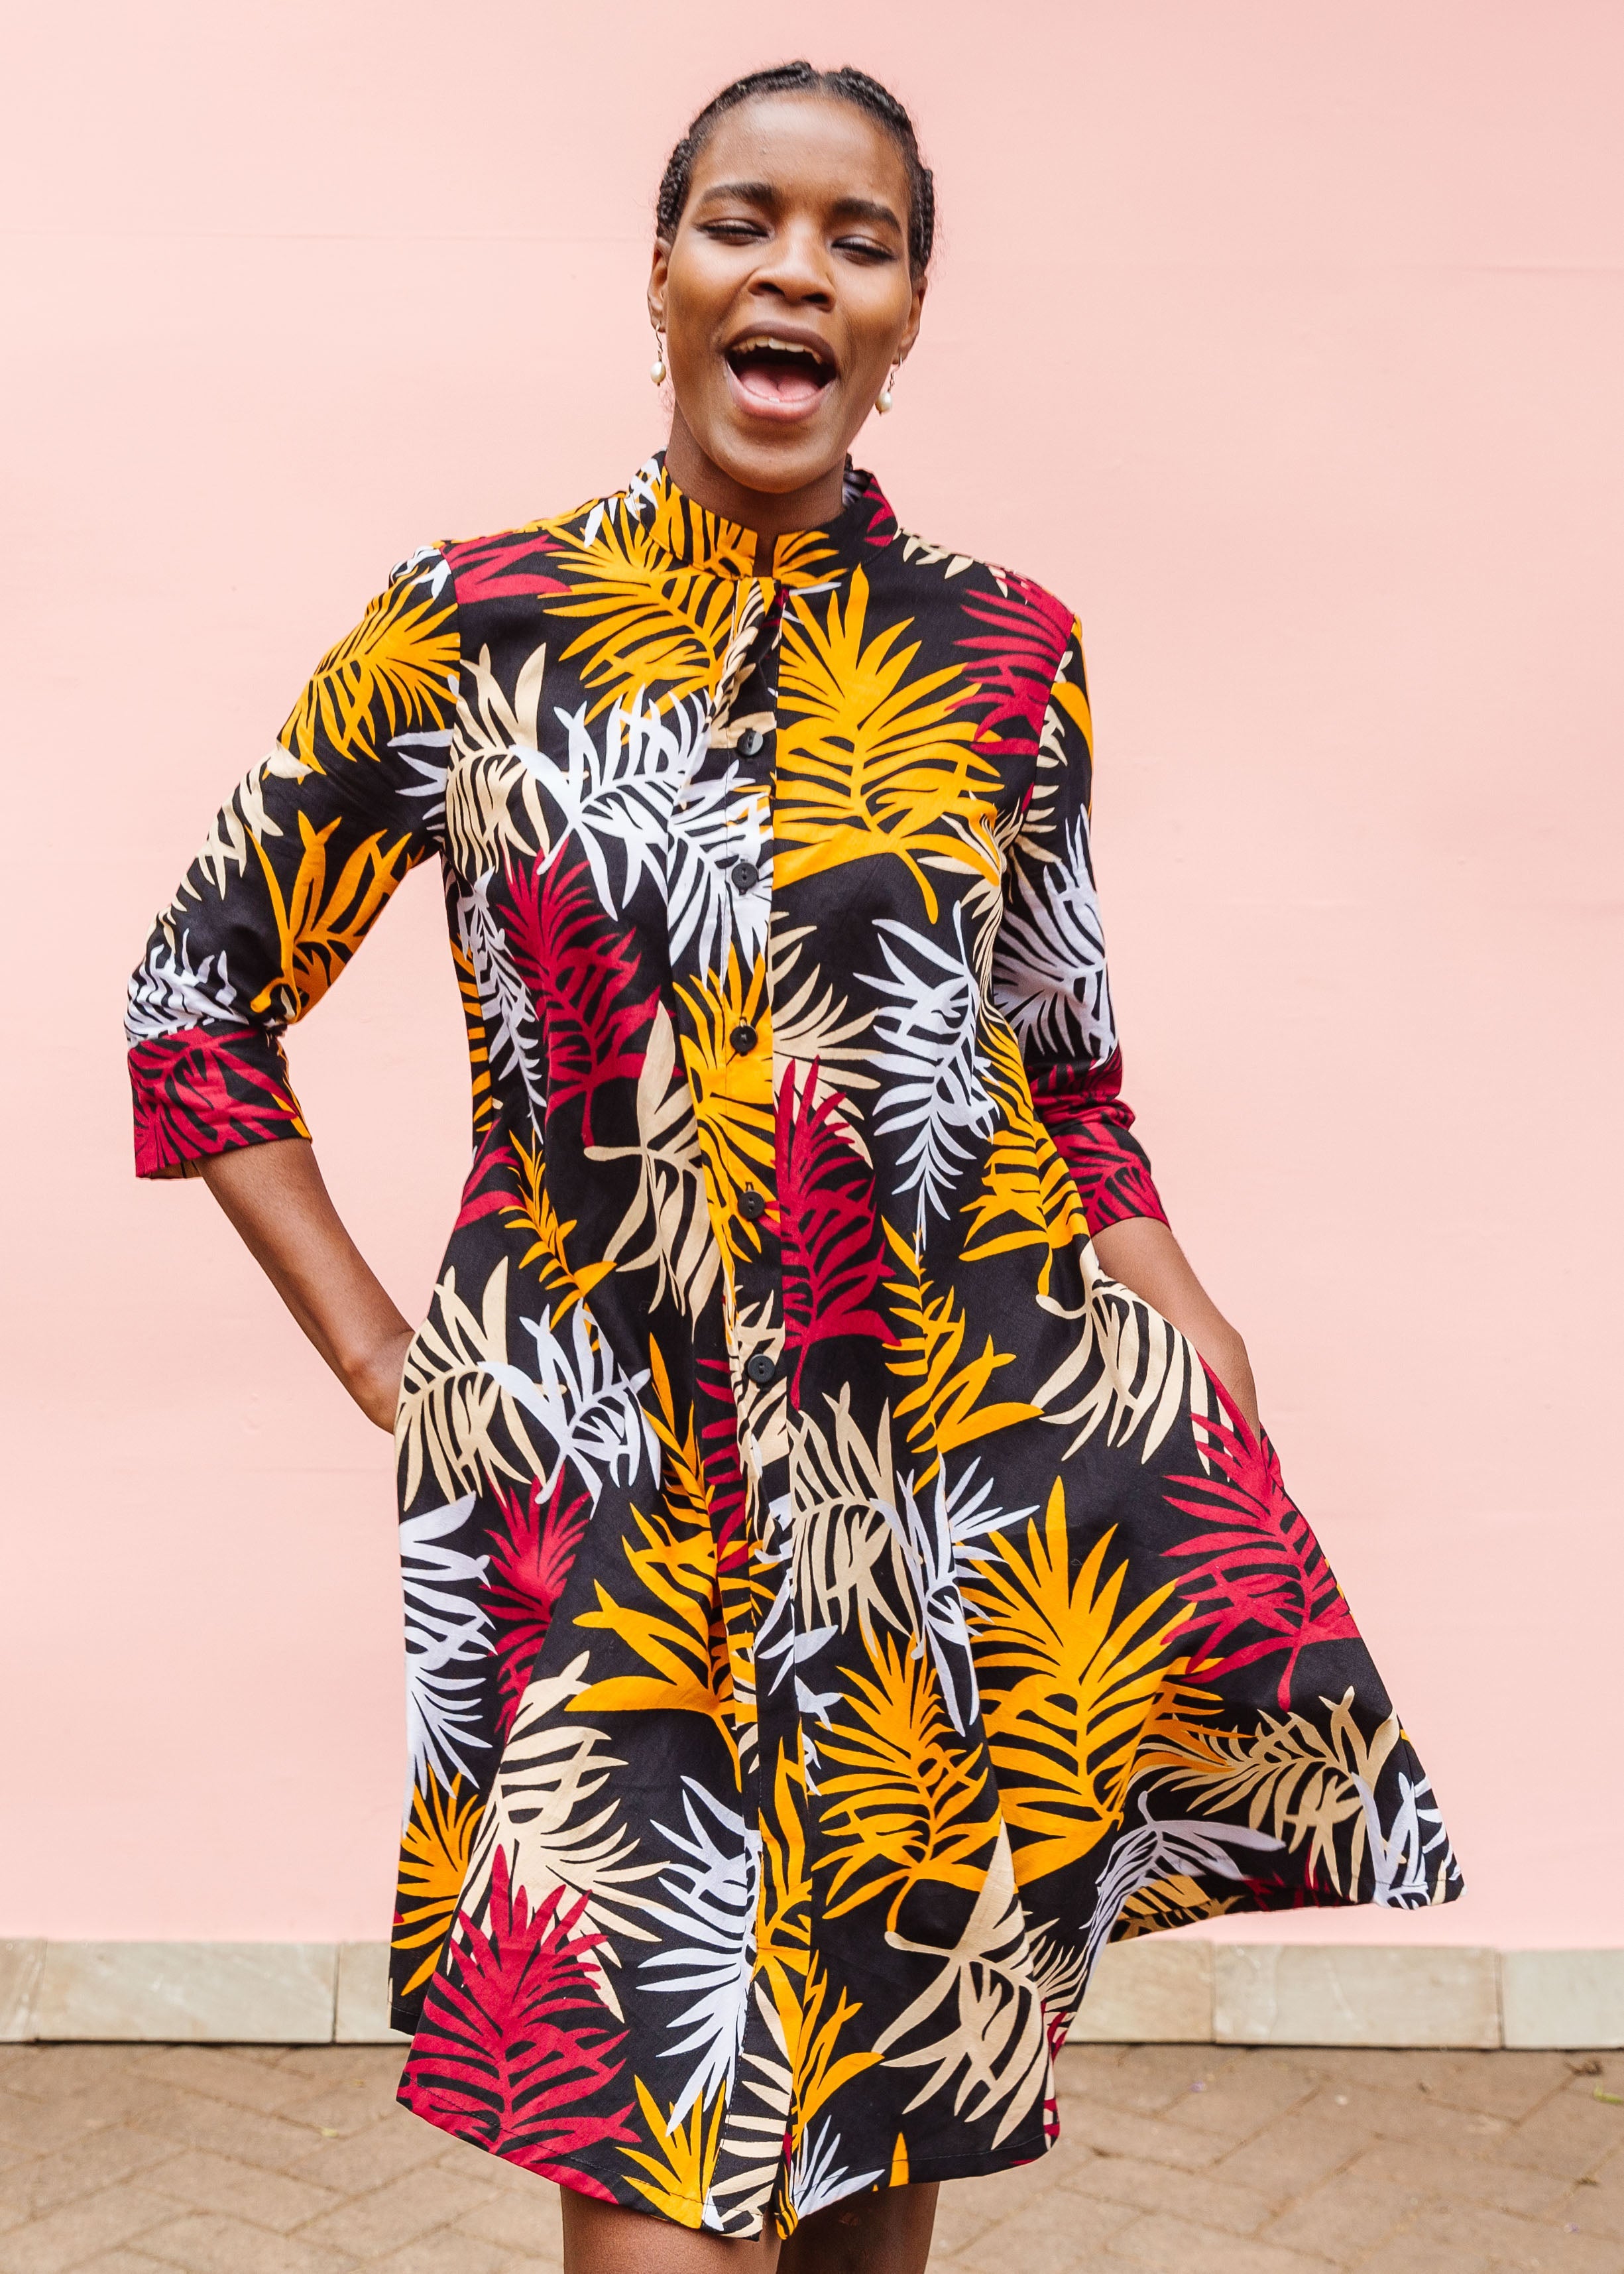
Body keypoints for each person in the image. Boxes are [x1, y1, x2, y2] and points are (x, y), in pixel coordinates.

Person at [126, 60, 1460, 2274]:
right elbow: (198, 993)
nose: (798, 272)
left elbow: (1062, 1072)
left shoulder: (1006, 654)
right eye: (747, 221)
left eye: (861, 241)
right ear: (660, 272)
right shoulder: (475, 626)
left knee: (868, 2167)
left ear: (909, 313)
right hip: (604, 1521)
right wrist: (382, 1350)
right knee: (658, 2189)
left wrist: (1178, 1306)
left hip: (921, 1502)